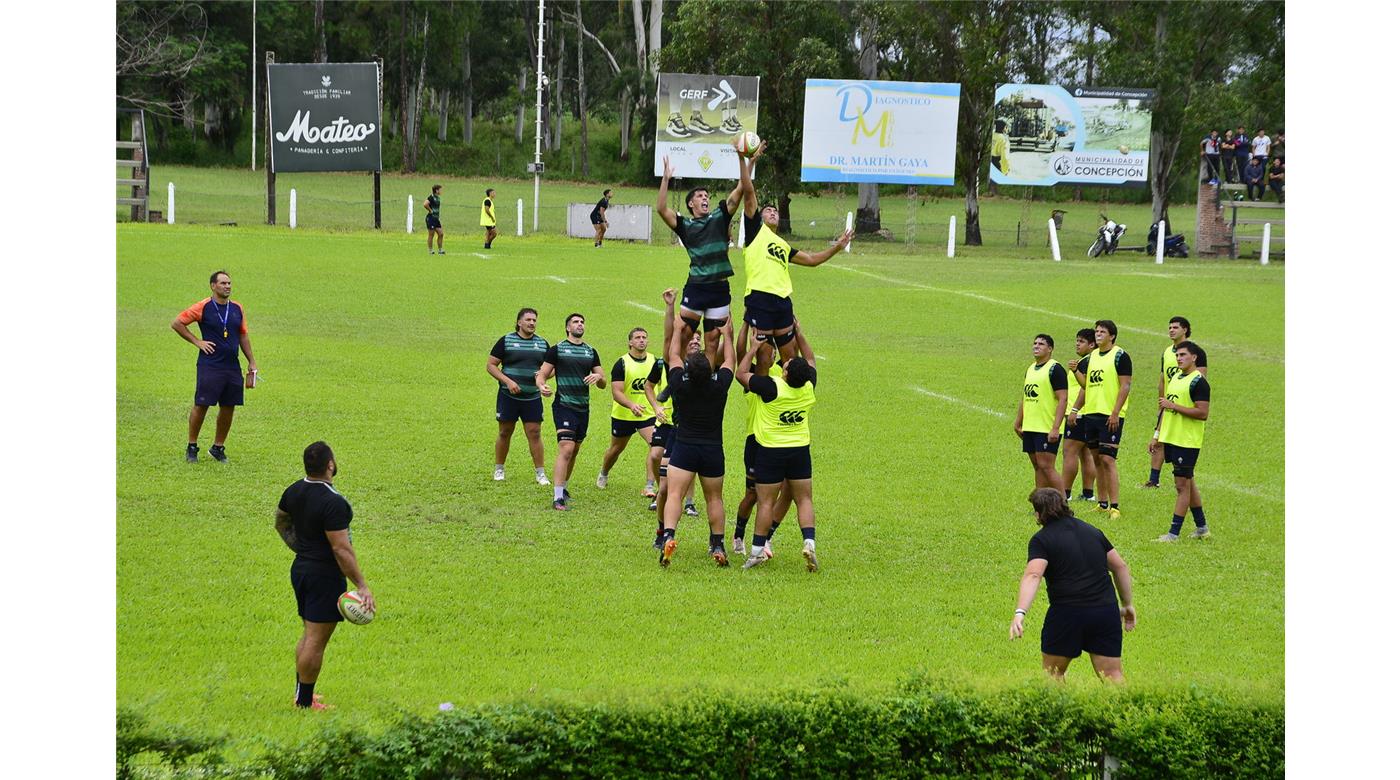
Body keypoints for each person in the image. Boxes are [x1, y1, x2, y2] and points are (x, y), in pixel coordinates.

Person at [275, 441, 374, 709]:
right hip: (324, 574)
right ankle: (305, 702)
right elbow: (341, 549)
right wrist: (362, 586)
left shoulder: (293, 490)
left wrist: (300, 548)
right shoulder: (333, 502)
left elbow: (280, 522)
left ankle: (301, 693)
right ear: (330, 464)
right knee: (316, 640)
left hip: (302, 569)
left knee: (309, 634)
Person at [738, 139, 853, 362]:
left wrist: (837, 247)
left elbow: (811, 260)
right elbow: (748, 192)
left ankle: (789, 392)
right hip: (760, 296)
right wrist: (749, 162)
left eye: (775, 211)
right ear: (759, 217)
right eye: (767, 210)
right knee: (763, 356)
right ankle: (764, 394)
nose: (772, 212)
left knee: (790, 355)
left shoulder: (783, 244)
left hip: (782, 300)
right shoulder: (755, 232)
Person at [1009, 488, 1135, 682]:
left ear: (1038, 513)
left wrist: (1020, 612)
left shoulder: (1042, 540)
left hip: (1067, 613)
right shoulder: (1092, 532)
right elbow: (1120, 566)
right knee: (1112, 675)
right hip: (1105, 612)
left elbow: (1034, 575)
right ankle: (1127, 712)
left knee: (1053, 675)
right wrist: (1127, 604)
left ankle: (1061, 712)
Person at [737, 320, 820, 572]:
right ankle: (809, 542)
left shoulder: (771, 388)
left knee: (765, 502)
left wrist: (753, 348)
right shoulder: (808, 388)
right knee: (804, 498)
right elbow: (811, 359)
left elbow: (741, 374)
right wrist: (800, 332)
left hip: (771, 451)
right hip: (799, 451)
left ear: (784, 373)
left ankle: (756, 552)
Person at [657, 309, 737, 568]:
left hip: (685, 448)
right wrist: (728, 333)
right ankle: (718, 543)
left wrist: (680, 329)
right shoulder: (719, 386)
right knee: (714, 498)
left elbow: (673, 354)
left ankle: (668, 535)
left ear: (689, 369)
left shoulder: (679, 383)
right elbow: (730, 362)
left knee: (675, 496)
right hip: (713, 450)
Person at [655, 152, 744, 370]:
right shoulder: (685, 225)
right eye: (700, 196)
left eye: (706, 196)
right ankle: (679, 372)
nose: (705, 198)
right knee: (684, 334)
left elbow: (740, 190)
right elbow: (661, 209)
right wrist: (666, 180)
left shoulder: (720, 216)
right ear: (691, 204)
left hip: (720, 289)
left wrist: (748, 161)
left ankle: (708, 378)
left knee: (713, 340)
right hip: (697, 287)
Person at [171, 270, 258, 463]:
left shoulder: (237, 308)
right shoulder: (203, 307)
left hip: (232, 365)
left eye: (229, 283)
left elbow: (243, 334)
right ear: (213, 286)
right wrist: (197, 342)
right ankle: (192, 445)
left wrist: (251, 361)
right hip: (209, 365)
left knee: (229, 407)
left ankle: (218, 448)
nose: (227, 286)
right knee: (202, 405)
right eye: (223, 283)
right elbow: (177, 323)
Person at [732, 320, 791, 559]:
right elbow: (739, 356)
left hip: (783, 441)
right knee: (754, 494)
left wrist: (785, 326)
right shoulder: (753, 377)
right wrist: (747, 329)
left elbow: (792, 353)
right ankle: (738, 535)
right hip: (756, 443)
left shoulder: (782, 373)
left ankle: (766, 537)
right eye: (766, 349)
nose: (771, 351)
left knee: (787, 490)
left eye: (772, 349)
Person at [535, 314, 605, 510]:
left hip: (583, 407)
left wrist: (597, 376)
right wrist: (542, 387)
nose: (580, 324)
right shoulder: (557, 350)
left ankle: (564, 488)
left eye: (582, 322)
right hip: (564, 405)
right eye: (575, 322)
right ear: (567, 327)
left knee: (574, 450)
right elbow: (542, 375)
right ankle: (557, 497)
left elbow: (603, 382)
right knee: (566, 448)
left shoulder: (591, 351)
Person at [1068, 320, 1131, 520]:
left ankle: (1115, 506)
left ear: (1112, 336)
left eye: (1102, 331)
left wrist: (1115, 412)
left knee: (1108, 459)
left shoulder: (1120, 356)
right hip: (1091, 414)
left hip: (1109, 415)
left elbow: (1125, 386)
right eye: (1096, 331)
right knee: (1097, 459)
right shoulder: (1092, 356)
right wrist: (1076, 408)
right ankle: (1102, 503)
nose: (1098, 334)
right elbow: (1087, 385)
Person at [1152, 342, 1213, 542]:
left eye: (1183, 355)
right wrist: (1157, 436)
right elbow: (1165, 409)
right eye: (1177, 355)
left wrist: (1174, 406)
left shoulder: (1199, 382)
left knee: (1181, 486)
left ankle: (1173, 533)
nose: (1179, 358)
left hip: (1186, 441)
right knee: (1188, 481)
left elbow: (1202, 413)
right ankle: (1202, 527)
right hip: (1172, 438)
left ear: (1194, 357)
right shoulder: (1176, 377)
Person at [486, 308, 551, 485]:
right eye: (528, 320)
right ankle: (499, 469)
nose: (532, 323)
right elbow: (491, 365)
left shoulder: (543, 344)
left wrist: (542, 379)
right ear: (519, 322)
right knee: (505, 431)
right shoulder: (506, 340)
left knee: (535, 433)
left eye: (534, 320)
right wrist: (508, 381)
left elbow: (551, 368)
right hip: (508, 396)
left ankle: (540, 473)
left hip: (532, 397)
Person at [597, 326, 662, 496]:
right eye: (638, 337)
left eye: (644, 337)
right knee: (616, 449)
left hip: (647, 414)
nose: (641, 340)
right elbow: (616, 392)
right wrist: (632, 405)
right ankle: (604, 472)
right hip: (624, 415)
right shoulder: (622, 363)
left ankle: (649, 486)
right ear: (630, 342)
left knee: (655, 446)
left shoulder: (655, 361)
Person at [1144, 316, 1208, 488]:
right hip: (1168, 403)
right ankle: (1153, 479)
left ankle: (1183, 479)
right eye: (1169, 327)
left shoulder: (1197, 352)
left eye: (1175, 327)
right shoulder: (1166, 352)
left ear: (1185, 329)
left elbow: (1200, 379)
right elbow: (1163, 379)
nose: (1171, 330)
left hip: (1183, 404)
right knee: (1159, 437)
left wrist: (1179, 403)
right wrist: (1161, 405)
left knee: (1173, 442)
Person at [1014, 334, 1068, 491]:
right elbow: (1025, 397)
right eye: (1035, 343)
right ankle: (1041, 504)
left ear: (1050, 349)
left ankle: (1064, 505)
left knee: (1047, 467)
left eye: (1041, 344)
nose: (1036, 346)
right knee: (1037, 466)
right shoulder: (1030, 368)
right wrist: (1018, 421)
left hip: (1046, 426)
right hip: (1031, 426)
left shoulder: (1055, 369)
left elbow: (1063, 399)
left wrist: (1056, 428)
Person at [1060, 328, 1098, 503]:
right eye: (1077, 340)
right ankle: (1088, 493)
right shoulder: (1094, 361)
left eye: (1081, 341)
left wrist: (1073, 410)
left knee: (1069, 452)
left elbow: (1086, 386)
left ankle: (1065, 493)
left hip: (1079, 413)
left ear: (1092, 344)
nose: (1077, 344)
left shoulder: (1085, 363)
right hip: (1089, 413)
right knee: (1086, 453)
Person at [423, 184, 445, 254]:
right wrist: (430, 210)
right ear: (436, 190)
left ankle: (440, 250)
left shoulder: (438, 198)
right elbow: (425, 204)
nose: (441, 191)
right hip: (431, 218)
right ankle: (430, 250)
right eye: (440, 189)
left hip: (436, 219)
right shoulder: (431, 197)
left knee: (441, 234)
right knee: (431, 234)